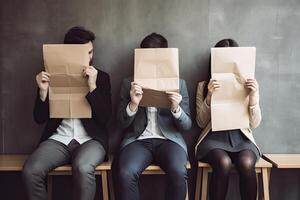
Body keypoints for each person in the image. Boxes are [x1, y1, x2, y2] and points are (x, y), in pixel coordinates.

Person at [22, 26, 112, 200]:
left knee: (84, 168)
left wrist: (92, 87)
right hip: (58, 139)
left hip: (90, 140)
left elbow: (105, 119)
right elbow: (38, 118)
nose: (90, 57)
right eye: (85, 53)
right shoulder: (51, 75)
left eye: (91, 52)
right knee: (31, 171)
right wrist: (42, 91)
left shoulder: (101, 77)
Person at [112, 32, 192, 200]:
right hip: (138, 140)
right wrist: (133, 104)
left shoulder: (179, 84)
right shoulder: (129, 83)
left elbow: (187, 126)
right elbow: (120, 123)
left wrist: (176, 108)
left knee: (179, 172)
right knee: (126, 173)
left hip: (169, 140)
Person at [195, 39, 262, 200]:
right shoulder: (203, 85)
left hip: (241, 138)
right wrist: (209, 96)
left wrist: (253, 97)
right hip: (213, 138)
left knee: (246, 163)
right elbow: (201, 122)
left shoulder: (249, 85)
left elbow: (255, 123)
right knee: (223, 163)